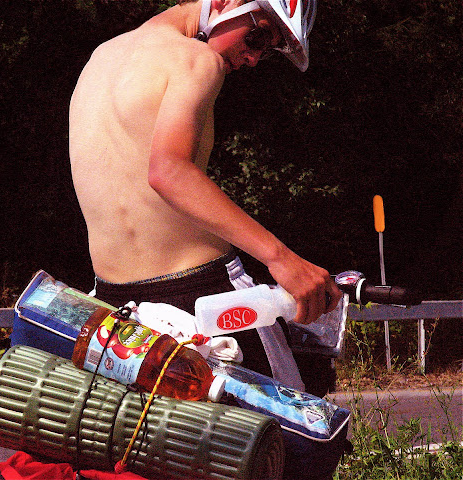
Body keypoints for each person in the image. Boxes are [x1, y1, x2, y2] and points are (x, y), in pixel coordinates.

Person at [69, 0, 342, 396]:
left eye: (266, 51)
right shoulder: (197, 59)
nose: (253, 58)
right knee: (292, 431)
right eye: (259, 36)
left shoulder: (100, 58)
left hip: (114, 311)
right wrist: (282, 259)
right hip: (202, 302)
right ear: (227, 3)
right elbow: (168, 172)